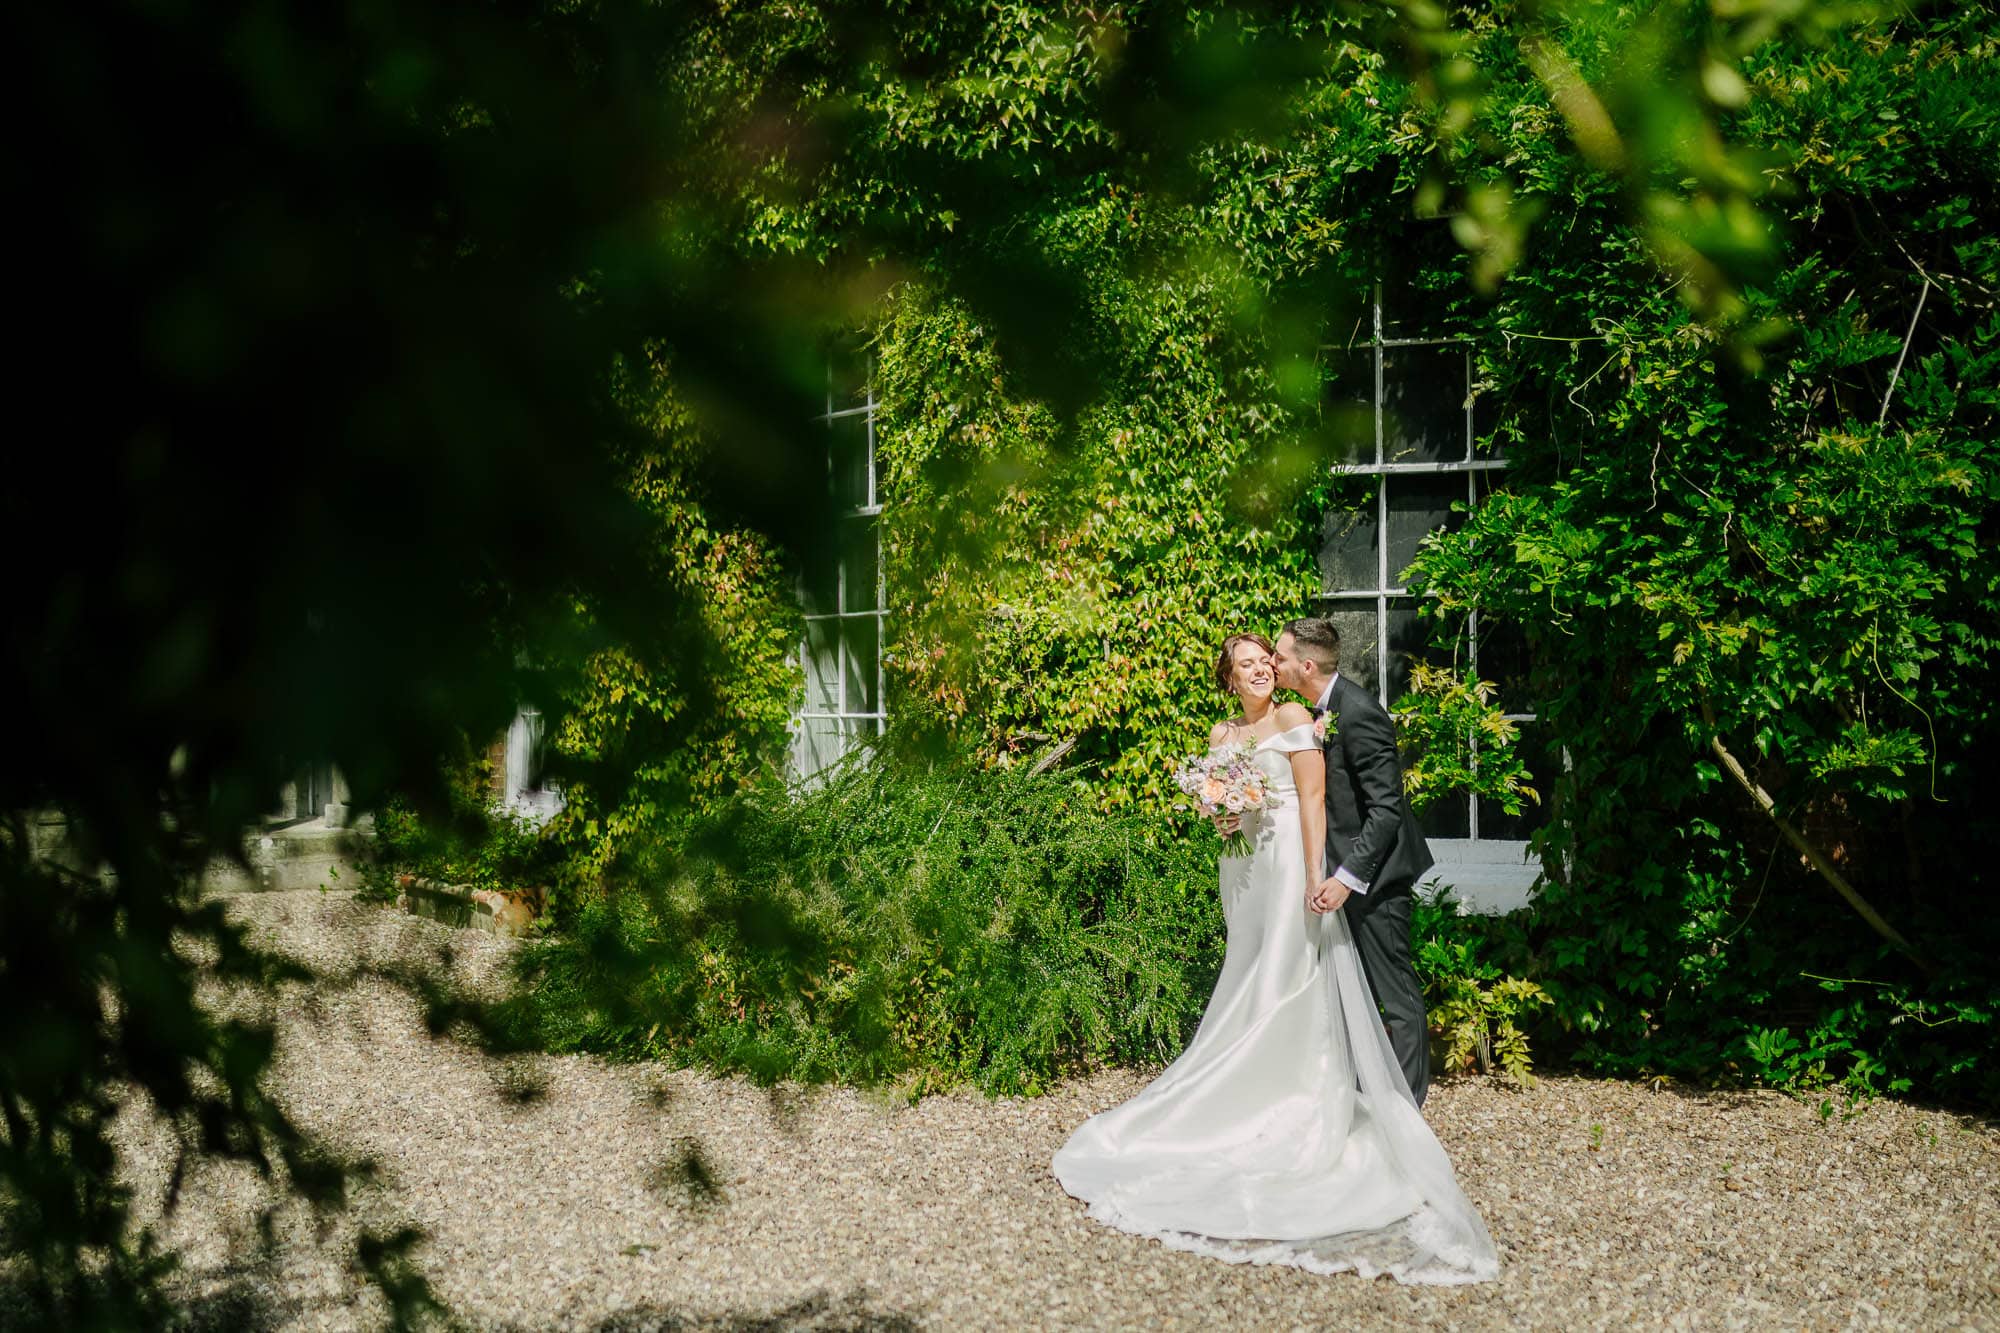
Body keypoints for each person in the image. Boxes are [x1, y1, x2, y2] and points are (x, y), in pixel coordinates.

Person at [1050, 633, 1495, 1284]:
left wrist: (1321, 869)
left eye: (1268, 661)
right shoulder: (1221, 732)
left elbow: (1314, 798)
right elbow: (1221, 808)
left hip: (1292, 862)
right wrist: (1223, 811)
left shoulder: (1296, 718)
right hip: (1245, 867)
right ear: (1229, 678)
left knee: (1294, 977)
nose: (1261, 669)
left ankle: (1306, 1095)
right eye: (1248, 664)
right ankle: (1246, 1086)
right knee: (1250, 970)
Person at [1271, 617, 1437, 1106]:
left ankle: (1407, 1109)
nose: (1274, 664)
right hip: (1344, 870)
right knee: (1354, 992)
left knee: (1396, 994)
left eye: (1279, 657)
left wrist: (1346, 879)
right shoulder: (1320, 709)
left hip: (1378, 877)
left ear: (1305, 665)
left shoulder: (1359, 711)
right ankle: (1364, 1095)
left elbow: (1387, 810)